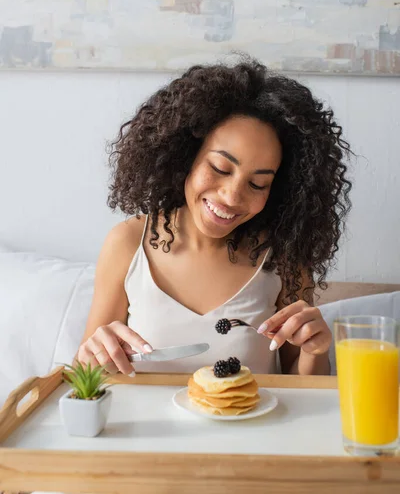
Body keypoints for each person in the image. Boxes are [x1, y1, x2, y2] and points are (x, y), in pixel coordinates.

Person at [76, 58, 352, 376]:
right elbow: (82, 379)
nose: (232, 196)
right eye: (220, 168)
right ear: (185, 155)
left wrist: (315, 350)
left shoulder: (283, 257)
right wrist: (92, 353)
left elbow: (303, 387)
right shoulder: (127, 243)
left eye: (258, 183)